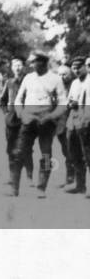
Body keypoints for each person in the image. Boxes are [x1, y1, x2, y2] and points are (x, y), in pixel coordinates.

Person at [12, 51, 68, 197]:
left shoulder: (55, 79)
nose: (31, 65)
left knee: (46, 155)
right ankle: (14, 188)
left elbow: (63, 103)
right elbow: (18, 99)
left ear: (42, 62)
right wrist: (21, 113)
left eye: (34, 62)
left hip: (46, 122)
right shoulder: (28, 78)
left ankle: (41, 188)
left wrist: (52, 116)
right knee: (19, 152)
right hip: (28, 120)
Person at [0, 57, 33, 185]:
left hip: (26, 119)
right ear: (12, 68)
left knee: (27, 148)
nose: (18, 68)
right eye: (15, 66)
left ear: (23, 67)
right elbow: (2, 100)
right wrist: (6, 113)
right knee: (11, 148)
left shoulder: (29, 81)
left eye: (20, 65)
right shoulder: (9, 82)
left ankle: (29, 177)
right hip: (12, 121)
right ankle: (12, 177)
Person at [64, 55, 88, 194]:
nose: (76, 70)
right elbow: (69, 100)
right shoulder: (74, 83)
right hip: (72, 123)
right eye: (74, 67)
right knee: (74, 154)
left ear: (85, 66)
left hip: (85, 122)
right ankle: (80, 185)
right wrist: (70, 103)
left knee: (87, 154)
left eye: (79, 67)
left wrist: (77, 103)